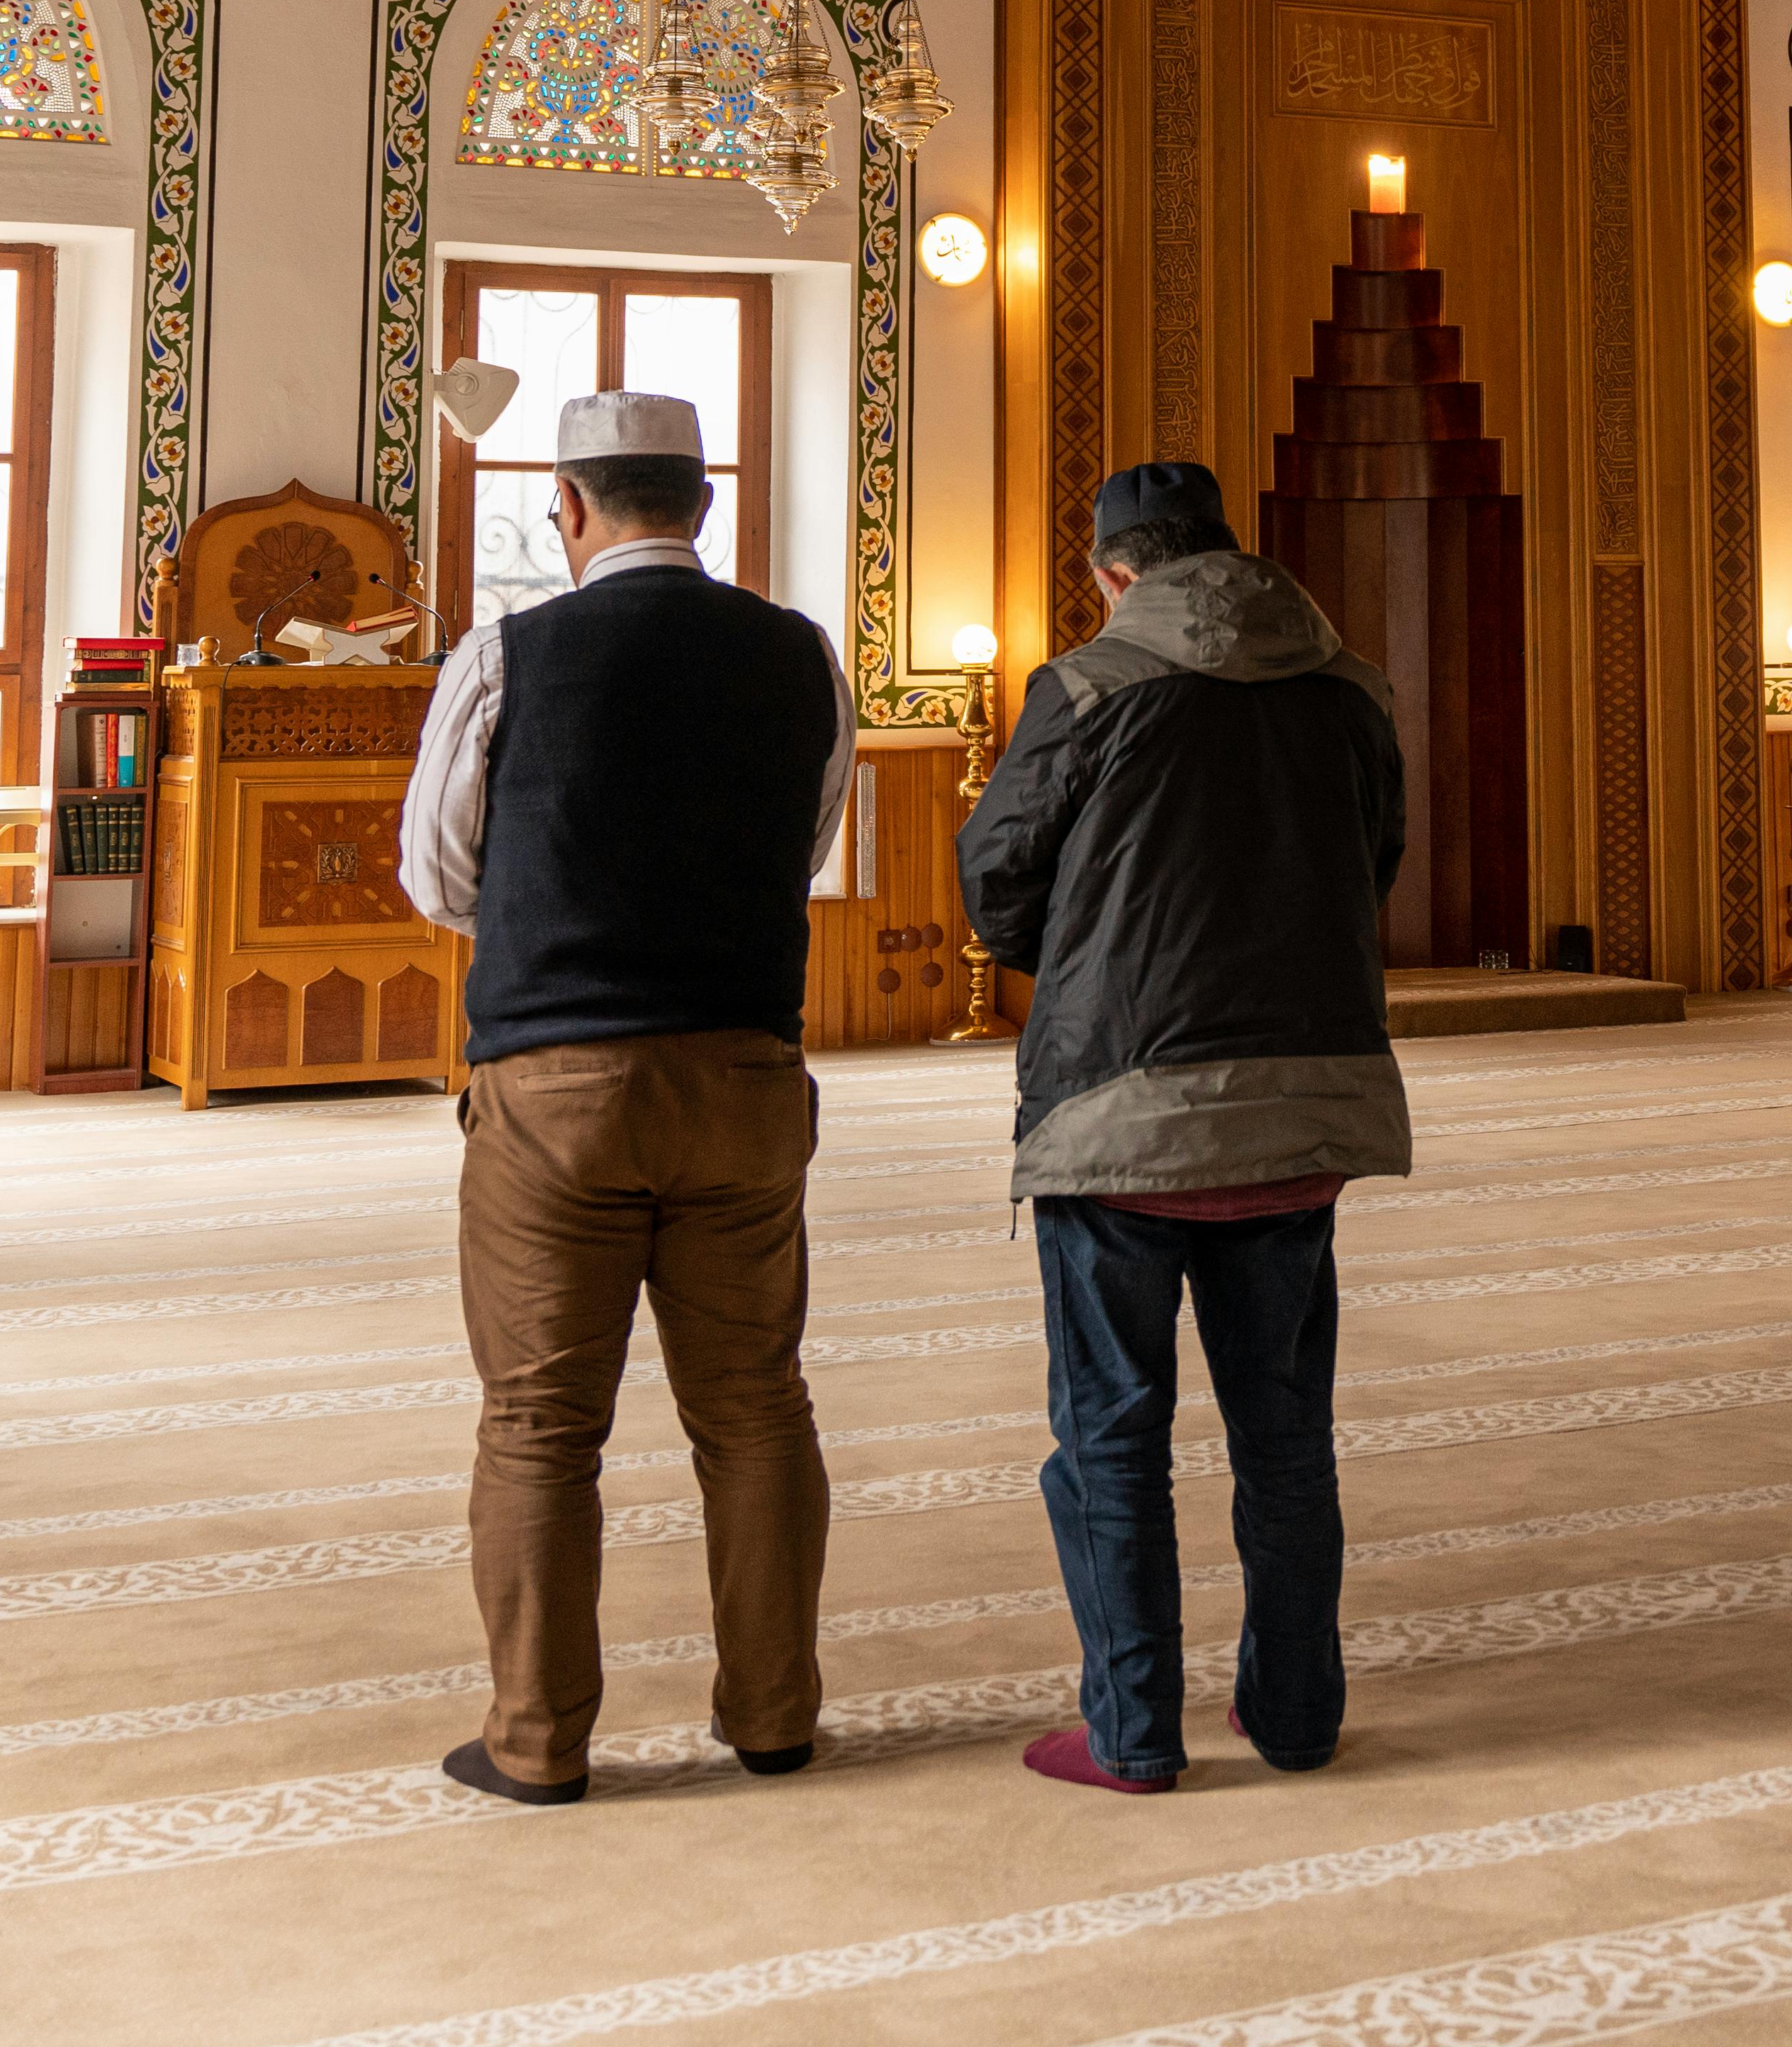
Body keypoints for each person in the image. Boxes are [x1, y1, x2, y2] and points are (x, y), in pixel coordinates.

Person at [398, 393, 855, 1807]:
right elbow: (808, 850)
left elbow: (440, 873)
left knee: (540, 1426)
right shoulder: (801, 657)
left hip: (556, 1085)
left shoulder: (508, 652)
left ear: (570, 507)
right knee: (756, 1407)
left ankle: (538, 1744)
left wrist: (559, 912)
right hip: (742, 1074)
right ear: (700, 507)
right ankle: (774, 1714)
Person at [956, 459, 1412, 1795]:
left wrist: (1091, 950)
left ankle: (1134, 1734)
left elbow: (996, 885)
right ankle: (1295, 1718)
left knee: (1112, 1432)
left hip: (1122, 1115)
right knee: (1285, 1435)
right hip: (1303, 1110)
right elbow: (1373, 863)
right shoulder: (1350, 686)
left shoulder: (1088, 687)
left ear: (1113, 573)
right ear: (1230, 551)